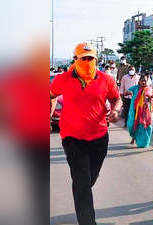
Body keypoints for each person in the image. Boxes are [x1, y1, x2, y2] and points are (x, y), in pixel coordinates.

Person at [50, 43, 121, 225]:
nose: (88, 62)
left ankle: (81, 189)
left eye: (91, 58)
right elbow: (50, 95)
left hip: (99, 137)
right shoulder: (63, 79)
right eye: (84, 58)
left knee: (88, 179)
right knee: (82, 182)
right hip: (72, 138)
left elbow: (116, 99)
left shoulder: (106, 79)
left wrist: (115, 111)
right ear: (76, 60)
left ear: (96, 60)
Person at [126, 74, 153, 147]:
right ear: (139, 81)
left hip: (144, 111)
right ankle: (134, 137)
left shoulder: (148, 89)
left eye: (145, 81)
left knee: (144, 125)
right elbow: (126, 92)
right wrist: (129, 92)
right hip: (134, 110)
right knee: (132, 124)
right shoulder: (135, 88)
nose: (143, 82)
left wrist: (150, 97)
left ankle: (144, 142)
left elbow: (151, 97)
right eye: (142, 81)